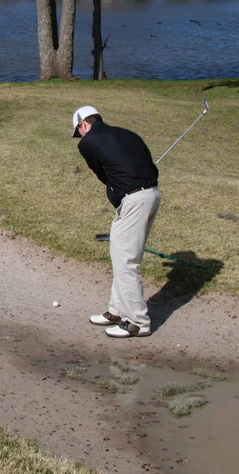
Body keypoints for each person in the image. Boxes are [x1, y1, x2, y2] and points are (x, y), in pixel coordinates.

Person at [72, 105, 160, 338]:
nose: (79, 137)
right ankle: (117, 310)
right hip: (150, 195)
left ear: (84, 124)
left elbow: (103, 176)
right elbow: (150, 165)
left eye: (78, 131)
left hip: (134, 201)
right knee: (119, 253)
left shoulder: (87, 143)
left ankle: (138, 322)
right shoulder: (128, 134)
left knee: (126, 260)